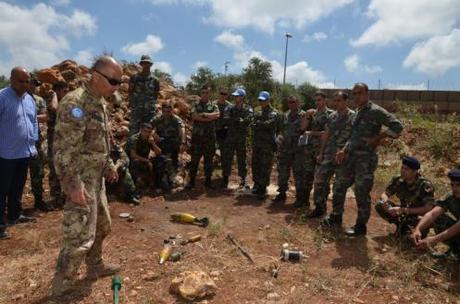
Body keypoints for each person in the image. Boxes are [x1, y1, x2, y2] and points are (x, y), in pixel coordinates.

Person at [51, 56, 122, 296]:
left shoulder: (99, 102)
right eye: (113, 80)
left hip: (96, 177)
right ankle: (63, 285)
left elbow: (101, 139)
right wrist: (73, 184)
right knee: (79, 234)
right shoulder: (76, 103)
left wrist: (109, 164)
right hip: (80, 179)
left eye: (119, 82)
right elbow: (63, 150)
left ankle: (95, 265)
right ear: (96, 75)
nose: (116, 86)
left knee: (103, 225)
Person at [334, 82, 404, 236]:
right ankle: (336, 216)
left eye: (359, 93)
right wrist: (344, 150)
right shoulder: (357, 112)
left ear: (367, 93)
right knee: (339, 185)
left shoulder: (376, 111)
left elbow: (398, 127)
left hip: (365, 160)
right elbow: (353, 136)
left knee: (361, 192)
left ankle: (360, 227)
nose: (356, 96)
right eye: (354, 94)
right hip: (351, 158)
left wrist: (379, 137)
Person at [0, 67, 38, 240]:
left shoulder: (29, 99)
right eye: (20, 81)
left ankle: (15, 214)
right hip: (5, 153)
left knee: (18, 186)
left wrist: (33, 145)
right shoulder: (2, 97)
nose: (24, 85)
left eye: (27, 81)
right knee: (2, 189)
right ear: (12, 79)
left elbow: (33, 122)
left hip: (24, 152)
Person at [310, 92, 355, 226]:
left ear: (346, 101)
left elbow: (355, 137)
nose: (337, 103)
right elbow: (326, 135)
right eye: (335, 101)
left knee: (339, 188)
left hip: (343, 157)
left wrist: (346, 151)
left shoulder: (353, 116)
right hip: (329, 154)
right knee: (319, 181)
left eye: (339, 100)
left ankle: (336, 215)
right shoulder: (332, 116)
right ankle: (320, 208)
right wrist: (321, 153)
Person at [374, 156, 434, 236]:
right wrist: (384, 202)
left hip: (417, 216)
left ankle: (416, 233)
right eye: (402, 168)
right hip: (404, 212)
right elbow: (385, 194)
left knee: (420, 222)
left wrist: (403, 210)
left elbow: (428, 209)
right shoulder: (398, 179)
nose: (403, 171)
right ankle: (401, 229)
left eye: (406, 169)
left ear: (415, 171)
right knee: (379, 205)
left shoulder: (425, 185)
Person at [412, 169, 460, 258]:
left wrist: (434, 239)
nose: (454, 188)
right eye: (452, 185)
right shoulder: (451, 197)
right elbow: (433, 214)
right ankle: (455, 250)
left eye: (458, 185)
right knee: (439, 218)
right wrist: (418, 229)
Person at [302, 91, 333, 212]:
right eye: (316, 100)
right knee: (307, 176)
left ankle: (321, 206)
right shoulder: (313, 113)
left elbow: (327, 134)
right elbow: (303, 128)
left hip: (323, 150)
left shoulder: (330, 114)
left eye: (319, 100)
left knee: (321, 180)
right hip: (310, 150)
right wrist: (306, 116)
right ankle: (304, 201)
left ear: (325, 100)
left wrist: (312, 133)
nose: (317, 102)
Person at [273, 95, 306, 205]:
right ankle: (282, 193)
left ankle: (300, 198)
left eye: (293, 102)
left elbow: (306, 132)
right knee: (283, 172)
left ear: (298, 103)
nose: (291, 104)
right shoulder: (285, 115)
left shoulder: (304, 115)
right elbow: (281, 130)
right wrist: (279, 138)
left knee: (298, 174)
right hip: (285, 149)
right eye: (289, 102)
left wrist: (302, 147)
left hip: (298, 150)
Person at [27, 77, 54, 212]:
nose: (35, 87)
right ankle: (13, 205)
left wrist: (26, 116)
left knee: (38, 173)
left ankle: (39, 201)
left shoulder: (38, 100)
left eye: (36, 85)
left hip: (35, 142)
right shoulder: (15, 97)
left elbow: (45, 117)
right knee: (15, 175)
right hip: (17, 143)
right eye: (32, 84)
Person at [186, 85, 220, 189]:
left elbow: (217, 115)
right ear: (201, 93)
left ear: (210, 94)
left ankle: (208, 182)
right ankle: (191, 182)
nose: (205, 94)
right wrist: (209, 118)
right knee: (194, 161)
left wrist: (204, 114)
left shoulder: (213, 105)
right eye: (203, 92)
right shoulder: (195, 104)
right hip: (197, 138)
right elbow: (194, 116)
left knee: (208, 161)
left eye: (207, 92)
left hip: (209, 138)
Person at [126, 122, 174, 193]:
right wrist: (147, 161)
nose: (147, 133)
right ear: (141, 130)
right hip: (133, 161)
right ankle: (134, 186)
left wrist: (153, 143)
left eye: (149, 132)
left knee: (163, 159)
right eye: (145, 131)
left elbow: (159, 152)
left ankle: (161, 183)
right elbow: (133, 155)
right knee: (136, 162)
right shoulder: (134, 139)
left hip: (145, 160)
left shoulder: (149, 139)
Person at [221, 88, 253, 188]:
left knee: (241, 159)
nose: (235, 97)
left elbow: (248, 121)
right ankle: (225, 179)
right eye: (235, 96)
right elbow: (225, 119)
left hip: (241, 138)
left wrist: (237, 121)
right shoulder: (230, 108)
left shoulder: (248, 109)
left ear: (243, 97)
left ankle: (243, 180)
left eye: (237, 96)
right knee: (227, 158)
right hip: (230, 137)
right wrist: (239, 120)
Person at [251, 91, 280, 199]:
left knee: (265, 166)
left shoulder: (274, 112)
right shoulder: (257, 112)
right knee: (255, 164)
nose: (261, 102)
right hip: (257, 143)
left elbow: (270, 124)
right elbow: (252, 125)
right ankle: (257, 184)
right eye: (260, 100)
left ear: (268, 100)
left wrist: (259, 124)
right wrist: (261, 124)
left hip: (267, 144)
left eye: (263, 100)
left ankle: (263, 187)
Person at [47, 81, 69, 208]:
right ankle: (56, 197)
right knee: (54, 169)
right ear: (57, 91)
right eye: (64, 90)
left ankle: (66, 195)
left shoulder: (68, 103)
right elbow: (54, 108)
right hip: (53, 142)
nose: (67, 93)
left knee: (66, 167)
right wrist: (54, 95)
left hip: (66, 141)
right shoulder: (52, 102)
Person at [128, 54, 160, 136]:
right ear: (141, 64)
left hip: (149, 112)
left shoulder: (155, 80)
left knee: (147, 132)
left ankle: (144, 149)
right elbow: (130, 91)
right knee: (133, 131)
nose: (146, 65)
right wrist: (133, 104)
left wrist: (150, 105)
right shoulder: (134, 78)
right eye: (144, 63)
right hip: (136, 110)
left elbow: (155, 95)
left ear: (151, 65)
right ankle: (131, 148)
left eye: (148, 63)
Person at [151, 102, 187, 171]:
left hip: (173, 142)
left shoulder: (176, 119)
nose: (166, 113)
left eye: (168, 111)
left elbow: (182, 129)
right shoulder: (157, 118)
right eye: (164, 111)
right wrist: (154, 134)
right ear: (162, 111)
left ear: (172, 111)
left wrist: (183, 142)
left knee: (175, 145)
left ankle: (174, 163)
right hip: (161, 141)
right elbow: (149, 128)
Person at [107, 138, 141, 205]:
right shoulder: (97, 147)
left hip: (114, 171)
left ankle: (130, 195)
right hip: (103, 171)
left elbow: (125, 159)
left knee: (124, 170)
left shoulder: (115, 146)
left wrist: (115, 167)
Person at [214, 87, 232, 169]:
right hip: (213, 131)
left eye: (225, 94)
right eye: (222, 93)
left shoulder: (230, 106)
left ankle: (225, 169)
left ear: (227, 95)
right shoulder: (213, 104)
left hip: (225, 132)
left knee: (224, 151)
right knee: (211, 150)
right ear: (219, 93)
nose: (223, 95)